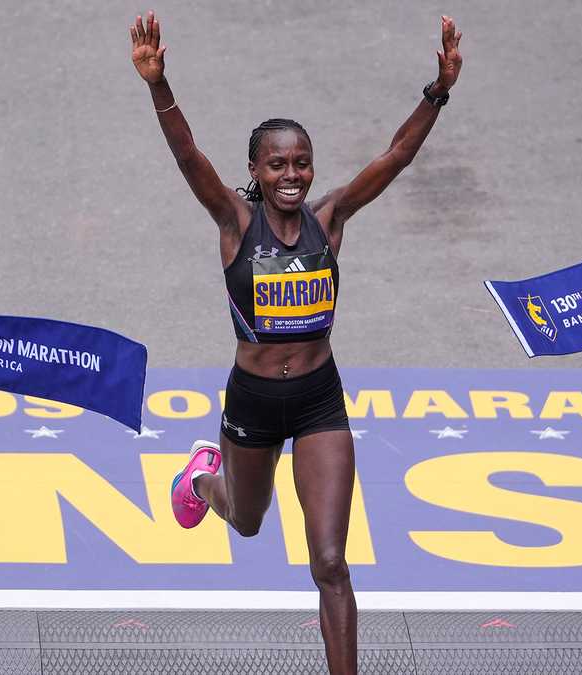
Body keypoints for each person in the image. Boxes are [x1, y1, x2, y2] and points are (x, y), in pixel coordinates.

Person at [130, 10, 462, 674]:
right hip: (252, 403)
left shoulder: (330, 219)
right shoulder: (234, 221)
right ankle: (203, 477)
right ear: (255, 169)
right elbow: (187, 155)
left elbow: (395, 156)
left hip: (318, 401)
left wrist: (438, 90)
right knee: (246, 520)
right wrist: (157, 84)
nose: (292, 174)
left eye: (301, 163)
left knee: (331, 561)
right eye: (277, 163)